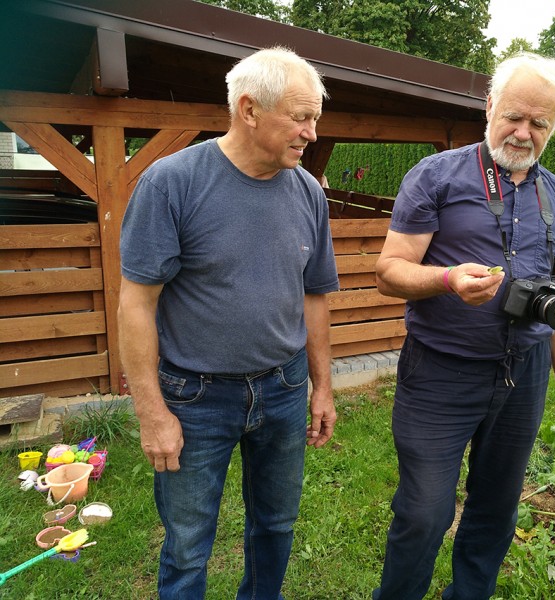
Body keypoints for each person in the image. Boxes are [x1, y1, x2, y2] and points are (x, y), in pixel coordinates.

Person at [117, 46, 339, 600]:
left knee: (276, 526)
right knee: (189, 544)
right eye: (301, 117)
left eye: (315, 117)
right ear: (248, 110)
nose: (311, 132)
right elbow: (136, 304)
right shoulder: (173, 183)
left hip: (284, 388)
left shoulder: (308, 191)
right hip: (195, 397)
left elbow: (314, 296)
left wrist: (323, 387)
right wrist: (152, 414)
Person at [372, 52, 555, 600]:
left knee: (496, 508)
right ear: (489, 105)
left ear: (554, 127)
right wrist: (446, 279)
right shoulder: (436, 176)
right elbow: (388, 272)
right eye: (513, 116)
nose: (523, 132)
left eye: (539, 123)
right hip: (440, 373)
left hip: (525, 374)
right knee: (424, 510)